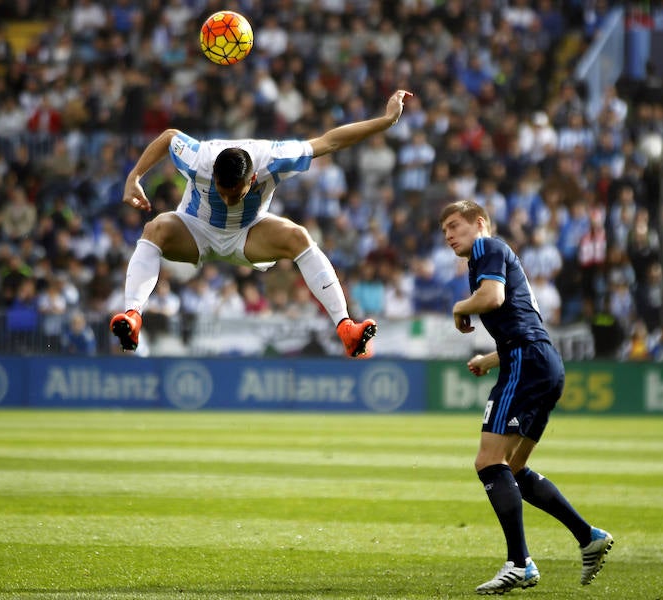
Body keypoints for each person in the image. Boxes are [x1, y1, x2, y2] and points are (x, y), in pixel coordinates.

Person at [109, 89, 413, 357]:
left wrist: (385, 121)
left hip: (248, 233)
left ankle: (346, 327)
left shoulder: (274, 159)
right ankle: (133, 317)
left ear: (252, 179)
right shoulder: (199, 158)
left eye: (235, 194)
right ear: (213, 175)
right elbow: (168, 137)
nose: (228, 201)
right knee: (155, 228)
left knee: (298, 236)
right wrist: (134, 177)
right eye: (222, 192)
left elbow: (330, 142)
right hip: (195, 230)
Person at [438, 199, 613, 594]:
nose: (448, 235)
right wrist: (490, 358)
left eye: (454, 226)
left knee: (488, 461)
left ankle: (519, 563)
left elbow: (493, 299)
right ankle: (588, 537)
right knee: (513, 470)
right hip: (543, 361)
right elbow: (520, 322)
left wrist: (459, 307)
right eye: (444, 230)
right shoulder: (490, 256)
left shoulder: (487, 247)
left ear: (478, 223)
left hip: (527, 362)